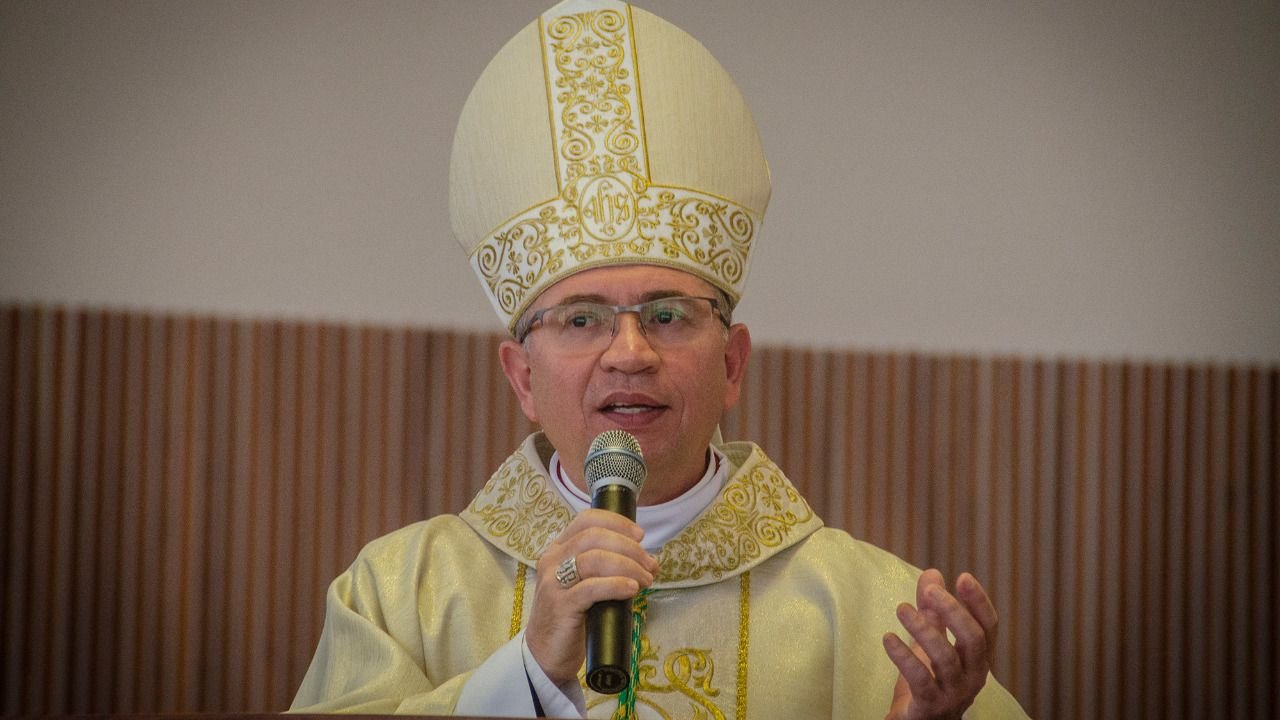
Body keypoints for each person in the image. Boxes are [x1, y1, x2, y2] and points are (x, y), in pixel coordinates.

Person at [290, 1, 1029, 717]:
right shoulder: (399, 596)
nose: (630, 353)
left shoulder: (873, 616)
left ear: (732, 365)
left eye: (668, 315)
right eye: (582, 319)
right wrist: (528, 674)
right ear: (522, 378)